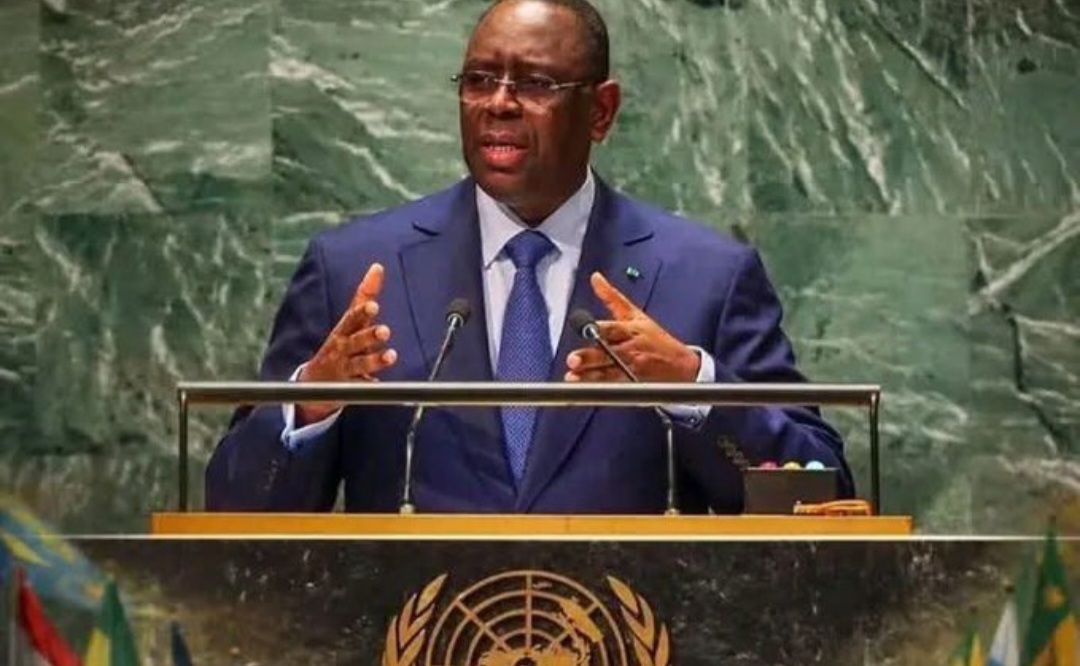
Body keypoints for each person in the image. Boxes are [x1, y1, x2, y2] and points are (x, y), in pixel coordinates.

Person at [205, 0, 853, 514]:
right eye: (479, 80)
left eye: (536, 83)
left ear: (601, 111)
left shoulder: (707, 277)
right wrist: (307, 406)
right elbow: (233, 510)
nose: (499, 103)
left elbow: (817, 498)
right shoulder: (352, 272)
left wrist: (695, 387)